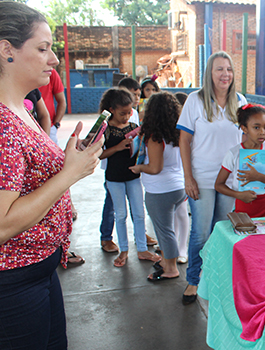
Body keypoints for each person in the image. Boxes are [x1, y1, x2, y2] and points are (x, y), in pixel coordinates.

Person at [0, 3, 103, 347]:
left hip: (42, 266)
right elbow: (2, 224)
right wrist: (68, 175)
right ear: (6, 49)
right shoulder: (1, 123)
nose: (54, 59)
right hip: (14, 280)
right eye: (42, 49)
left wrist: (67, 162)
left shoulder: (22, 109)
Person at [177, 51, 247, 305]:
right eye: (219, 69)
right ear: (209, 73)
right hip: (202, 177)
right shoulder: (195, 101)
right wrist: (188, 177)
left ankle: (216, 277)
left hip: (229, 180)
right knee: (200, 233)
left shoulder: (240, 102)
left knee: (222, 231)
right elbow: (184, 140)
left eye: (228, 69)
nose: (225, 74)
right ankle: (194, 279)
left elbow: (247, 140)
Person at [98, 88, 161, 267]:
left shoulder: (134, 128)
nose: (126, 117)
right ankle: (124, 250)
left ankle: (142, 249)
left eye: (129, 113)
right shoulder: (105, 129)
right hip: (114, 178)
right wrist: (117, 148)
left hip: (133, 176)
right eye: (122, 113)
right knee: (121, 214)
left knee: (139, 213)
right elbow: (99, 155)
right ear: (111, 110)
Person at [130, 92, 186, 281]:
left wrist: (139, 167)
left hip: (161, 190)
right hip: (178, 187)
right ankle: (166, 261)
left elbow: (155, 167)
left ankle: (170, 268)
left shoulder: (155, 136)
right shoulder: (178, 132)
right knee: (167, 229)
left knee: (165, 231)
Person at [215, 104, 265, 217]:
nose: (262, 132)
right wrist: (238, 195)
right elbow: (219, 185)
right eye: (256, 127)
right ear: (244, 128)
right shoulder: (234, 153)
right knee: (246, 234)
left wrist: (258, 176)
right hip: (243, 204)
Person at [174, 91, 190, 264]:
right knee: (174, 214)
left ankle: (182, 247)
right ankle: (175, 244)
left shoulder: (189, 128)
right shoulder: (169, 128)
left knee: (182, 211)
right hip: (175, 175)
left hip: (182, 175)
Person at [39, 68, 66, 145]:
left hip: (49, 127)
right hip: (27, 127)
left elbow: (62, 101)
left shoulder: (50, 72)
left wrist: (56, 124)